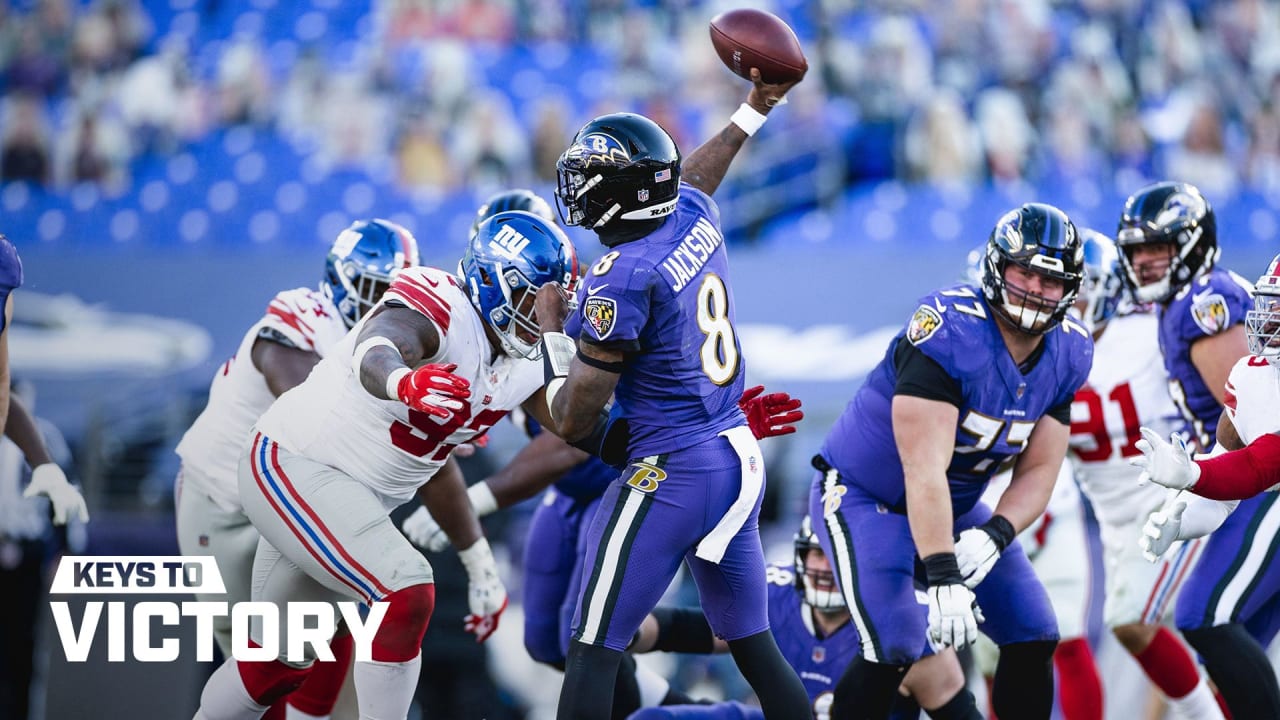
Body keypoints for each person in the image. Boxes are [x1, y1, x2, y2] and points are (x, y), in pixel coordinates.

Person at [193, 210, 577, 720]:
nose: (546, 315)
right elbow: (379, 346)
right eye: (537, 298)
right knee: (406, 586)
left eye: (557, 303)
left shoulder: (520, 363)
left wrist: (479, 564)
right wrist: (404, 382)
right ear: (493, 282)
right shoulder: (444, 305)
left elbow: (576, 424)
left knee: (278, 666)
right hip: (293, 463)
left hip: (345, 500)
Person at [532, 68, 812, 720]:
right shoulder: (688, 212)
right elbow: (697, 179)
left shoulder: (622, 274)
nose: (578, 187)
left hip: (672, 470)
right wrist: (752, 112)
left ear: (626, 197)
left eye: (594, 178)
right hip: (734, 452)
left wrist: (551, 333)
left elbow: (571, 420)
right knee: (755, 646)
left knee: (593, 643)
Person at [809, 202, 1091, 720]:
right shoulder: (950, 331)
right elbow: (923, 469)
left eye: (1051, 280)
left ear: (1070, 288)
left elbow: (1041, 468)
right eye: (1024, 271)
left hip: (955, 507)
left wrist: (998, 533)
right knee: (895, 642)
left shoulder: (1070, 351)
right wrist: (942, 577)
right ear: (995, 267)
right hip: (866, 497)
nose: (1034, 289)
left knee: (1034, 631)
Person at [176, 218, 419, 720]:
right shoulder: (303, 316)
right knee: (260, 667)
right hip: (221, 506)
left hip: (292, 506)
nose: (383, 307)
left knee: (330, 632)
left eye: (395, 294)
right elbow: (303, 398)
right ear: (341, 280)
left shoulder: (393, 346)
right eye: (376, 290)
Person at [1115, 181, 1276, 718]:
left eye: (1157, 249)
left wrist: (1198, 481)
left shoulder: (1201, 302)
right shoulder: (1179, 306)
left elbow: (1248, 417)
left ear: (1191, 244)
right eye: (1137, 252)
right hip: (1236, 478)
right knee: (1230, 644)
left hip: (1258, 486)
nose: (1144, 263)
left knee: (1205, 617)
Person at [1064, 230, 1222, 719]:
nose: (1076, 301)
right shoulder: (1049, 352)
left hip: (1168, 502)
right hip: (1114, 521)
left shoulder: (1149, 332)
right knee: (1182, 640)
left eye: (1084, 287)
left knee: (1132, 621)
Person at [626, 516, 980, 720]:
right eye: (816, 554)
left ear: (867, 565)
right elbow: (691, 630)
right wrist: (625, 630)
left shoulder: (905, 624)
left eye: (835, 558)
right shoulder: (779, 594)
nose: (824, 568)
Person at [1132, 251, 1280, 502]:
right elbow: (1250, 461)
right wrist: (1195, 477)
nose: (1271, 320)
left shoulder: (1202, 299)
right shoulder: (1252, 375)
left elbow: (1258, 467)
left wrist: (1194, 475)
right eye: (1274, 305)